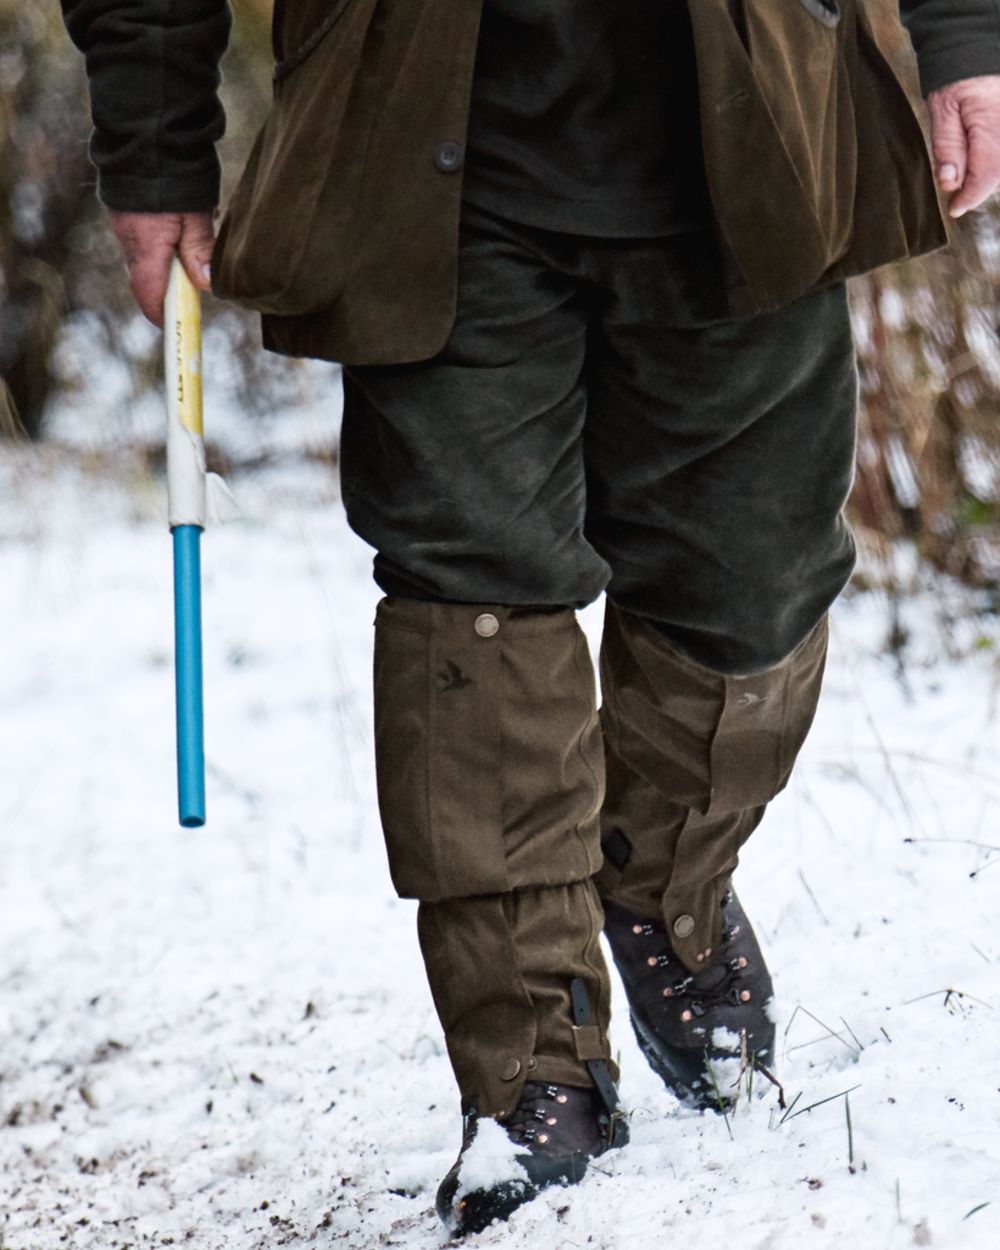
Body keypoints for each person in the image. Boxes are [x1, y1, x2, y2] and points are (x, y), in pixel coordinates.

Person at [60, 0, 1000, 1236]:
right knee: (471, 589)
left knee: (752, 574)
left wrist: (964, 31)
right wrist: (155, 141)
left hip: (759, 120)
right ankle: (527, 1065)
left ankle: (664, 883)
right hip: (419, 144)